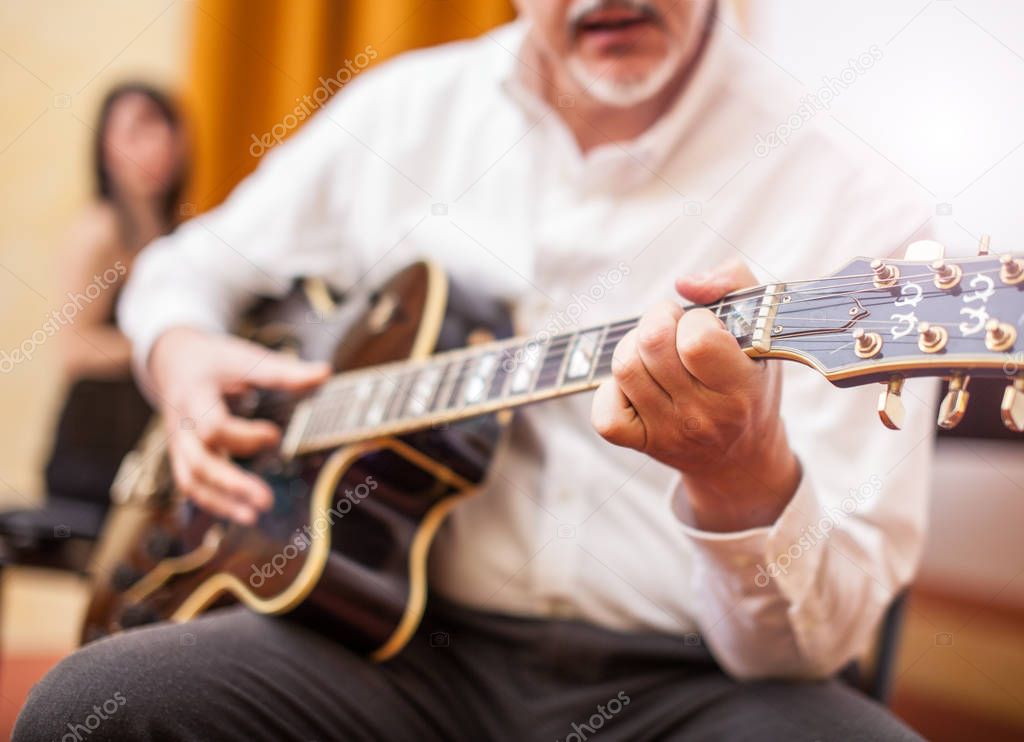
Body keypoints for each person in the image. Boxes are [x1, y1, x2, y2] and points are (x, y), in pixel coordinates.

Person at [16, 1, 936, 739]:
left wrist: (741, 477)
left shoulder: (858, 204)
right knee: (89, 710)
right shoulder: (403, 110)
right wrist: (178, 352)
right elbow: (187, 265)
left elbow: (815, 645)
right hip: (388, 642)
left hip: (693, 683)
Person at [42, 82, 187, 508]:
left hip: (150, 449)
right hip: (95, 451)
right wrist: (166, 345)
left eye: (164, 129)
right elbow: (74, 349)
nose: (155, 145)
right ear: (106, 150)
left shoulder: (177, 235)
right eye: (135, 133)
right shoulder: (99, 230)